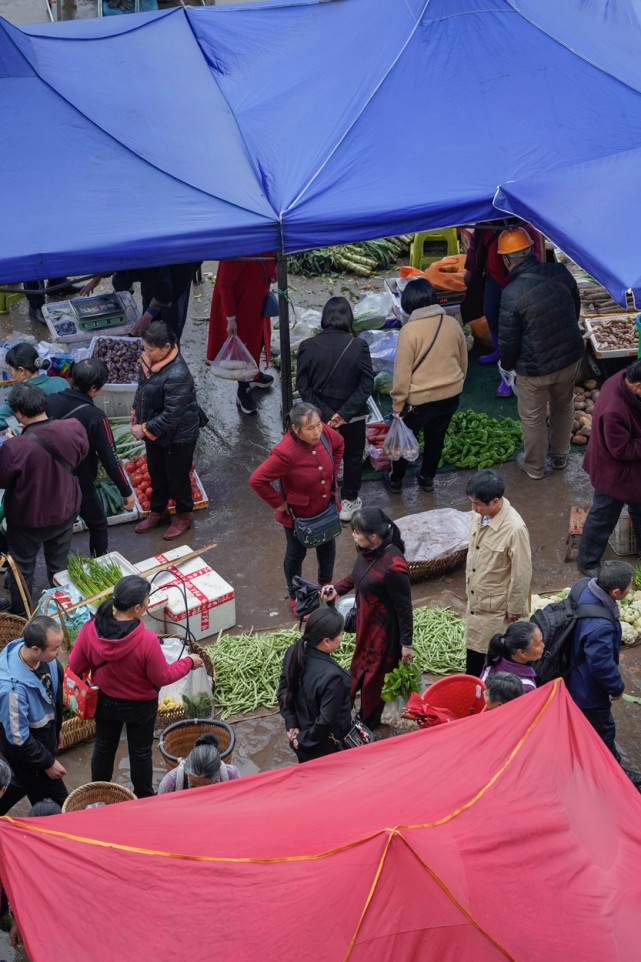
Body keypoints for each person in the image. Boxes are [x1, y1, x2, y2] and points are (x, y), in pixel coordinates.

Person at [68, 575, 204, 798]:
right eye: (148, 601)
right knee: (140, 753)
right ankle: (143, 797)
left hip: (105, 702)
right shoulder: (147, 641)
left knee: (103, 747)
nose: (149, 604)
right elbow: (162, 676)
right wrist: (189, 662)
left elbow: (75, 665)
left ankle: (97, 794)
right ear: (137, 608)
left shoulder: (90, 628)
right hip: (141, 707)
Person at [498, 226, 583, 480]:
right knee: (563, 406)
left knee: (533, 418)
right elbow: (574, 307)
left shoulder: (511, 293)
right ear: (533, 250)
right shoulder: (560, 272)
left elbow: (509, 339)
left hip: (534, 369)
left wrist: (507, 364)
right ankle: (560, 457)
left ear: (506, 260)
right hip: (569, 358)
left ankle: (535, 467)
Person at [0, 383, 89, 615]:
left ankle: (22, 616)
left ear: (18, 413)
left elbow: (3, 480)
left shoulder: (14, 447)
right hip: (66, 509)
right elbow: (81, 454)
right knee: (59, 565)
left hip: (28, 520)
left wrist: (15, 440)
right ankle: (65, 610)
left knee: (22, 569)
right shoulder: (73, 427)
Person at [249, 402, 344, 616]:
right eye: (310, 428)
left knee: (327, 546)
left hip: (326, 508)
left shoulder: (325, 434)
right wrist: (278, 502)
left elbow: (339, 444)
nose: (317, 431)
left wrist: (333, 475)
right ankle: (296, 595)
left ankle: (325, 585)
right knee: (296, 554)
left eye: (318, 425)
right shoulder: (284, 453)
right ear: (295, 429)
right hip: (299, 516)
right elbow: (257, 480)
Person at [322, 508, 413, 729]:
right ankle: (349, 710)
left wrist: (406, 644)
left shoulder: (394, 566)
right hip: (366, 622)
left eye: (356, 532)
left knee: (374, 676)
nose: (353, 535)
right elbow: (358, 574)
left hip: (384, 632)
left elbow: (404, 608)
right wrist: (338, 589)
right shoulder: (367, 551)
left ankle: (368, 720)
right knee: (358, 666)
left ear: (373, 536)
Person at [383, 277, 467, 494]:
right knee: (436, 438)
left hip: (419, 400)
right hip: (451, 396)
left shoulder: (409, 331)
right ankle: (427, 478)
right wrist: (455, 384)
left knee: (404, 440)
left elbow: (402, 375)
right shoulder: (452, 323)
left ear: (409, 305)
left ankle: (395, 480)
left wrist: (397, 406)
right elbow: (463, 360)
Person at [296, 296, 374, 522]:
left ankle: (320, 502)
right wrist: (344, 414)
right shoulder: (358, 346)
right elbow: (366, 384)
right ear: (348, 318)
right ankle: (348, 502)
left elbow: (303, 385)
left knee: (319, 456)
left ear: (324, 319)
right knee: (351, 456)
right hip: (353, 418)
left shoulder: (307, 347)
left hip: (319, 419)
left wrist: (325, 415)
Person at [47, 359, 135, 556]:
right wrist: (126, 491)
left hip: (50, 480)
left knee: (59, 533)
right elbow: (110, 459)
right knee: (98, 524)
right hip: (80, 484)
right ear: (96, 388)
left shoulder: (49, 401)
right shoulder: (96, 416)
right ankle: (100, 563)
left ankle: (57, 572)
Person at [131, 322, 200, 540]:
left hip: (178, 436)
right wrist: (136, 410)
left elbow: (172, 416)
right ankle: (158, 511)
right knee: (156, 473)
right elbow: (142, 388)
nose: (146, 353)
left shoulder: (178, 374)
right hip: (156, 432)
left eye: (150, 349)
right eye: (145, 348)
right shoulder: (150, 361)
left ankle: (184, 514)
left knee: (177, 477)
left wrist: (143, 428)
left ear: (167, 347)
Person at [462, 221, 542, 397]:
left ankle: (509, 373)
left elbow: (536, 256)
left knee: (513, 328)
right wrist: (469, 268)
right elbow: (475, 245)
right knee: (490, 314)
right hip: (493, 277)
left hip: (516, 281)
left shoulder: (524, 227)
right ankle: (499, 352)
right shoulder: (484, 224)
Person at [576, 360, 641, 577]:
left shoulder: (622, 376)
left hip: (633, 473)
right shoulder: (616, 410)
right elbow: (621, 450)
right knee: (604, 514)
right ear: (639, 386)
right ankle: (588, 562)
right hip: (614, 472)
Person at [465, 469, 532, 677]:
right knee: (474, 655)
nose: (473, 508)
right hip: (478, 600)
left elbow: (522, 572)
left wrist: (515, 606)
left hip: (497, 609)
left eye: (477, 504)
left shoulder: (514, 528)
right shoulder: (481, 516)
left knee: (495, 658)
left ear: (495, 502)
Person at [566, 561, 633, 762]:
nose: (631, 589)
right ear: (615, 592)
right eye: (629, 586)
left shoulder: (583, 585)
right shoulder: (600, 627)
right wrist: (617, 687)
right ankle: (613, 772)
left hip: (571, 668)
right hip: (586, 688)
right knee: (603, 730)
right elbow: (601, 665)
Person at [0, 617, 67, 813]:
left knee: (21, 781)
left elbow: (56, 694)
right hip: (26, 750)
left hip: (43, 739)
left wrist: (58, 728)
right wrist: (48, 763)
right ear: (35, 649)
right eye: (55, 648)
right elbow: (17, 738)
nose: (60, 652)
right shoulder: (11, 689)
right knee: (58, 805)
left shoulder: (49, 661)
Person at [276, 607, 352, 762]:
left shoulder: (293, 651)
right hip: (324, 745)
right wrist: (304, 740)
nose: (341, 637)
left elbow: (283, 691)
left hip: (302, 735)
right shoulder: (332, 676)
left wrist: (292, 724)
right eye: (339, 634)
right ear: (326, 641)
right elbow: (326, 721)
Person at [207, 254, 277, 415]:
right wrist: (230, 318)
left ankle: (254, 375)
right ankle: (243, 389)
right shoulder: (236, 249)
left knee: (258, 341)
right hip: (241, 309)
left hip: (258, 304)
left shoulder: (267, 243)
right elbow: (225, 285)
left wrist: (274, 272)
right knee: (244, 350)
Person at [81, 264, 199, 342]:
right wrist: (97, 277)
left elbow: (164, 287)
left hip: (178, 265)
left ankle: (171, 351)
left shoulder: (150, 265)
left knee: (171, 314)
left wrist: (148, 315)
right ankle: (149, 341)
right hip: (152, 269)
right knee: (149, 297)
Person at [0, 343, 68, 430]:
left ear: (21, 370)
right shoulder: (61, 382)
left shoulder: (18, 396)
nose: (12, 374)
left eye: (12, 369)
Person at [158, 732, 240, 792]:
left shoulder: (231, 775)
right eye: (194, 783)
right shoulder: (171, 781)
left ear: (217, 771)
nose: (199, 791)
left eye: (206, 785)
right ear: (186, 764)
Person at [481, 621, 545, 692]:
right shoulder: (525, 687)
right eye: (539, 644)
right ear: (522, 652)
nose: (543, 645)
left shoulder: (493, 660)